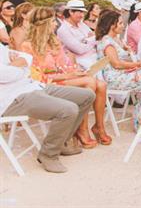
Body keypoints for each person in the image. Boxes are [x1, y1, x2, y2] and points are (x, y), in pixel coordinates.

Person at [21, 7, 111, 148]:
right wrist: (70, 74)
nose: (56, 24)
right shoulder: (27, 46)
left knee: (101, 85)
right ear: (43, 24)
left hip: (63, 77)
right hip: (48, 83)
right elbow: (37, 76)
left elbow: (65, 64)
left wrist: (77, 70)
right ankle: (82, 129)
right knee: (89, 82)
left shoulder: (54, 40)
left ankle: (99, 127)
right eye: (52, 21)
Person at [1, 43, 95, 173]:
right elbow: (5, 75)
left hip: (34, 86)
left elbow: (27, 58)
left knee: (87, 95)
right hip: (13, 99)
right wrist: (21, 67)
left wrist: (18, 66)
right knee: (68, 109)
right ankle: (48, 155)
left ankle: (62, 142)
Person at [95, 10, 141, 131]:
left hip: (121, 74)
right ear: (112, 25)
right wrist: (139, 64)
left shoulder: (114, 39)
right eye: (120, 23)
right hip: (114, 78)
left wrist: (138, 64)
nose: (123, 26)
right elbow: (117, 64)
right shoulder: (107, 42)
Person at [57, 0, 98, 70]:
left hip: (93, 56)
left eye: (83, 13)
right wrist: (90, 39)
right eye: (80, 12)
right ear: (71, 12)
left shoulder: (81, 24)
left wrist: (85, 41)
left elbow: (97, 38)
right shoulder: (63, 30)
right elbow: (79, 50)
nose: (82, 15)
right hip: (81, 62)